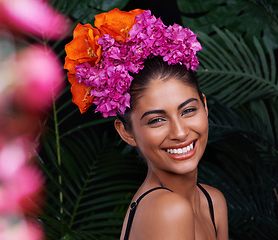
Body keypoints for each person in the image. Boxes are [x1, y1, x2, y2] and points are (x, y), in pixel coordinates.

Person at [64, 8, 228, 240]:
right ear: (126, 132)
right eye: (157, 120)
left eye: (188, 110)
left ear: (205, 106)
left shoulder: (213, 202)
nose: (180, 132)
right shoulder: (167, 209)